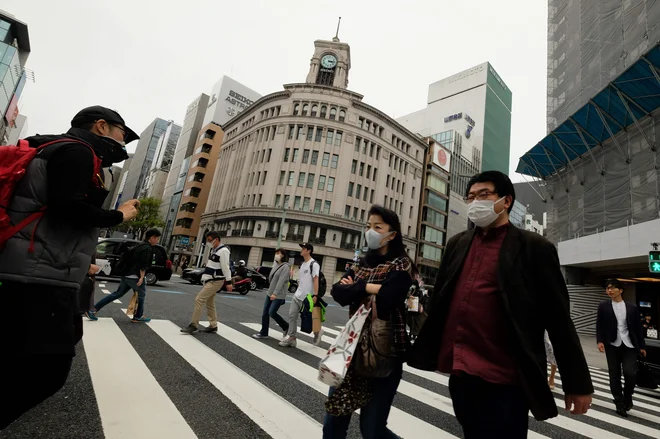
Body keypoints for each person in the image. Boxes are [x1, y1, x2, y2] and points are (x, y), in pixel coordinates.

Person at [408, 170, 593, 438]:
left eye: (484, 195)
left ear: (506, 201)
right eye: (470, 197)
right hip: (461, 372)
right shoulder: (457, 244)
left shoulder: (534, 247)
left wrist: (577, 383)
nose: (475, 202)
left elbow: (558, 318)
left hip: (506, 377)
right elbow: (441, 301)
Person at [0, 106, 140, 429]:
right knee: (50, 368)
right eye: (122, 134)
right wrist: (119, 215)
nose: (123, 143)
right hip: (41, 274)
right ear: (102, 127)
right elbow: (67, 209)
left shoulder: (52, 147)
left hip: (30, 269)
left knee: (31, 355)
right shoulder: (78, 152)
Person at [323, 205, 413, 439]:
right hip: (351, 351)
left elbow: (389, 298)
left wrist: (358, 286)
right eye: (368, 226)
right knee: (334, 421)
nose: (370, 231)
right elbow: (338, 292)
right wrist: (369, 287)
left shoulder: (401, 264)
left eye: (377, 227)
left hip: (384, 352)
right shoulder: (361, 263)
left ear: (392, 234)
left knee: (372, 430)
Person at [87, 229, 162, 323]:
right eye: (157, 239)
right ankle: (138, 316)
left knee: (117, 293)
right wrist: (142, 277)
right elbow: (143, 264)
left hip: (126, 274)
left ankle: (93, 310)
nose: (158, 241)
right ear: (152, 238)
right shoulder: (147, 248)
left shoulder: (139, 245)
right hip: (135, 276)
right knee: (141, 295)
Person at [596, 279, 647, 416]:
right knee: (614, 374)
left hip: (629, 345)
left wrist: (642, 346)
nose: (609, 290)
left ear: (621, 290)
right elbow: (599, 324)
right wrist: (599, 341)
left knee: (630, 373)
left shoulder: (632, 307)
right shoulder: (603, 306)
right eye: (607, 288)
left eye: (612, 288)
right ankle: (619, 402)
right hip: (612, 344)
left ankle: (628, 396)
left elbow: (637, 328)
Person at [181, 231, 232, 334]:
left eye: (209, 240)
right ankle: (213, 325)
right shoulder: (214, 250)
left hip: (215, 281)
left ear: (216, 239)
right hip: (210, 280)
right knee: (210, 303)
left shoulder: (223, 251)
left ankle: (193, 325)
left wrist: (229, 281)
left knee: (199, 299)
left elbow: (226, 267)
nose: (208, 243)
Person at [280, 242, 322, 348]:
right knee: (292, 316)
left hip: (308, 297)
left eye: (303, 248)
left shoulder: (314, 264)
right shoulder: (303, 264)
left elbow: (316, 280)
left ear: (308, 251)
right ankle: (292, 338)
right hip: (297, 295)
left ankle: (318, 331)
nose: (301, 250)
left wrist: (315, 295)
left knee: (309, 319)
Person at [253, 248, 291, 340]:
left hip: (279, 294)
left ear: (283, 255)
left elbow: (281, 281)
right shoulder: (276, 265)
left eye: (278, 253)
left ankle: (286, 327)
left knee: (272, 312)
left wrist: (275, 293)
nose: (276, 255)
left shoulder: (285, 267)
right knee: (265, 313)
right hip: (270, 292)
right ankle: (264, 332)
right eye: (276, 253)